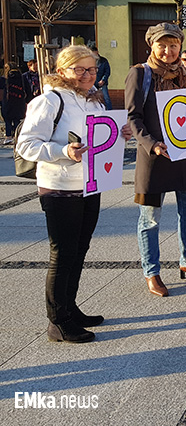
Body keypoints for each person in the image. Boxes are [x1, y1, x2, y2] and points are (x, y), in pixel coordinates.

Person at [17, 45, 132, 342]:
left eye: (91, 69)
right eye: (79, 69)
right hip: (60, 187)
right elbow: (26, 145)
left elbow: (99, 138)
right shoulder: (49, 100)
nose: (87, 75)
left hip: (90, 184)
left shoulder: (93, 101)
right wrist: (63, 151)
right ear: (62, 71)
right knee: (63, 253)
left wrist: (120, 134)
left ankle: (69, 308)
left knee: (80, 249)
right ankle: (57, 321)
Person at [126, 23, 186, 297]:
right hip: (154, 159)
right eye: (162, 45)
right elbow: (133, 117)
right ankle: (151, 271)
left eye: (174, 45)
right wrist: (151, 144)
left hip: (185, 156)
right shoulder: (140, 73)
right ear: (151, 46)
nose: (168, 51)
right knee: (150, 220)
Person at [1, 62, 32, 144]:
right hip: (19, 102)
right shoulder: (22, 78)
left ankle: (8, 136)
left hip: (7, 102)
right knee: (17, 120)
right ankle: (16, 136)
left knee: (8, 120)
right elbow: (28, 90)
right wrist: (27, 100)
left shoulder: (4, 79)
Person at [90, 45, 112, 110]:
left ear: (97, 52)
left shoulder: (103, 60)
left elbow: (107, 71)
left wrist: (103, 80)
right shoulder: (90, 61)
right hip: (93, 83)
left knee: (106, 97)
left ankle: (109, 111)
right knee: (93, 97)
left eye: (94, 53)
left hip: (103, 83)